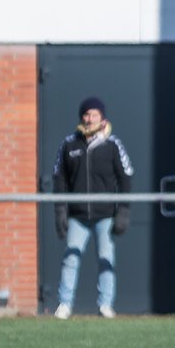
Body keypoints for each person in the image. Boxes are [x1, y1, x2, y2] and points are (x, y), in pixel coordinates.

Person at [52, 97, 134, 319]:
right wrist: (60, 210)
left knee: (106, 258)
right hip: (77, 215)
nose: (89, 119)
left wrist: (123, 210)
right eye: (86, 115)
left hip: (105, 215)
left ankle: (105, 304)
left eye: (94, 115)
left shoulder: (113, 145)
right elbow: (59, 179)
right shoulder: (69, 144)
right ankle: (64, 304)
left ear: (103, 118)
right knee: (70, 258)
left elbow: (125, 177)